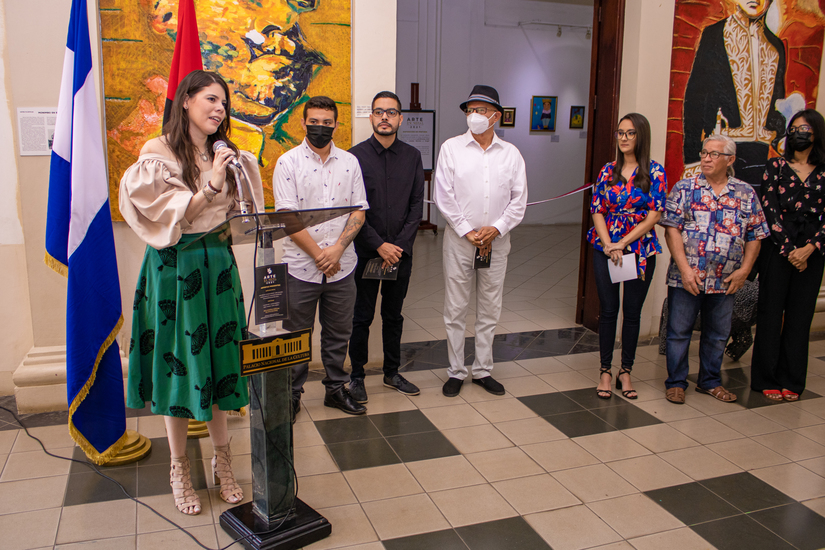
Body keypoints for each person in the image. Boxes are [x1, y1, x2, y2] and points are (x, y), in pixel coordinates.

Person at [120, 70, 263, 515]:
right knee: (178, 365)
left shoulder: (227, 153)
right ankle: (179, 467)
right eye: (211, 99)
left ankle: (224, 461)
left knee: (218, 363)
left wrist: (234, 177)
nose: (220, 109)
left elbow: (243, 215)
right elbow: (176, 217)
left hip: (217, 264)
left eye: (224, 102)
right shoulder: (157, 153)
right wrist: (212, 184)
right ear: (185, 100)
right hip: (174, 268)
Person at [273, 96, 369, 418]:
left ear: (336, 125)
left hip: (342, 266)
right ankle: (292, 394)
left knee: (339, 334)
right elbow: (287, 218)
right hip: (301, 268)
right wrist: (319, 255)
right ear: (303, 123)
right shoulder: (288, 162)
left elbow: (359, 210)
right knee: (296, 337)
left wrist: (338, 248)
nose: (320, 128)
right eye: (314, 122)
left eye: (327, 123)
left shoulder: (350, 162)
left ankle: (335, 389)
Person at [661, 134, 769, 405]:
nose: (706, 158)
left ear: (730, 160)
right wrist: (684, 269)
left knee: (718, 334)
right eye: (704, 153)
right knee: (678, 332)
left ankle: (709, 381)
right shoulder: (684, 188)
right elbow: (671, 230)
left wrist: (745, 270)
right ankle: (676, 383)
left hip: (726, 279)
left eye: (713, 154)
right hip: (687, 277)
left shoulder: (745, 193)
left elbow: (756, 234)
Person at [434, 85, 528, 398]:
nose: (473, 115)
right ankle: (456, 371)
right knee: (455, 308)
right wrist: (467, 230)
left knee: (489, 308)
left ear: (496, 116)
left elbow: (518, 200)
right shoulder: (451, 148)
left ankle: (483, 369)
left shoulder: (511, 154)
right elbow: (443, 195)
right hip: (460, 242)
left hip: (495, 244)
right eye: (470, 110)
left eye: (481, 110)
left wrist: (496, 228)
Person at [346, 92, 425, 403]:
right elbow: (353, 208)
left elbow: (416, 206)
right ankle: (357, 376)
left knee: (393, 316)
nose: (384, 117)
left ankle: (392, 372)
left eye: (391, 112)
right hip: (366, 252)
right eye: (379, 112)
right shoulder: (354, 157)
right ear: (371, 117)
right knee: (361, 317)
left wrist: (398, 247)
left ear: (400, 119)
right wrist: (379, 245)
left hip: (400, 255)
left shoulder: (412, 156)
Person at [588, 113, 667, 400]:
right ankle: (605, 371)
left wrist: (623, 242)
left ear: (641, 136)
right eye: (620, 133)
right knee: (609, 309)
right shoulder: (607, 170)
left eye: (630, 133)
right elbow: (597, 209)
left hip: (639, 249)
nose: (623, 138)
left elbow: (655, 214)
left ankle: (626, 371)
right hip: (606, 248)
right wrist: (609, 244)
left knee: (632, 312)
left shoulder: (655, 172)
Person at [751, 109, 825, 401]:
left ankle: (792, 379)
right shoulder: (776, 166)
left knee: (800, 316)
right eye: (793, 129)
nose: (797, 133)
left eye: (804, 129)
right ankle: (765, 378)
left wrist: (809, 248)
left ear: (816, 133)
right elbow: (768, 208)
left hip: (813, 251)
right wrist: (790, 250)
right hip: (778, 248)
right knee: (770, 313)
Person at [682, 0, 786, 187]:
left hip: (760, 152)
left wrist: (780, 136)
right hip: (721, 147)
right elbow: (695, 99)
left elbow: (777, 103)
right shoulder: (715, 35)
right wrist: (693, 158)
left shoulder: (775, 47)